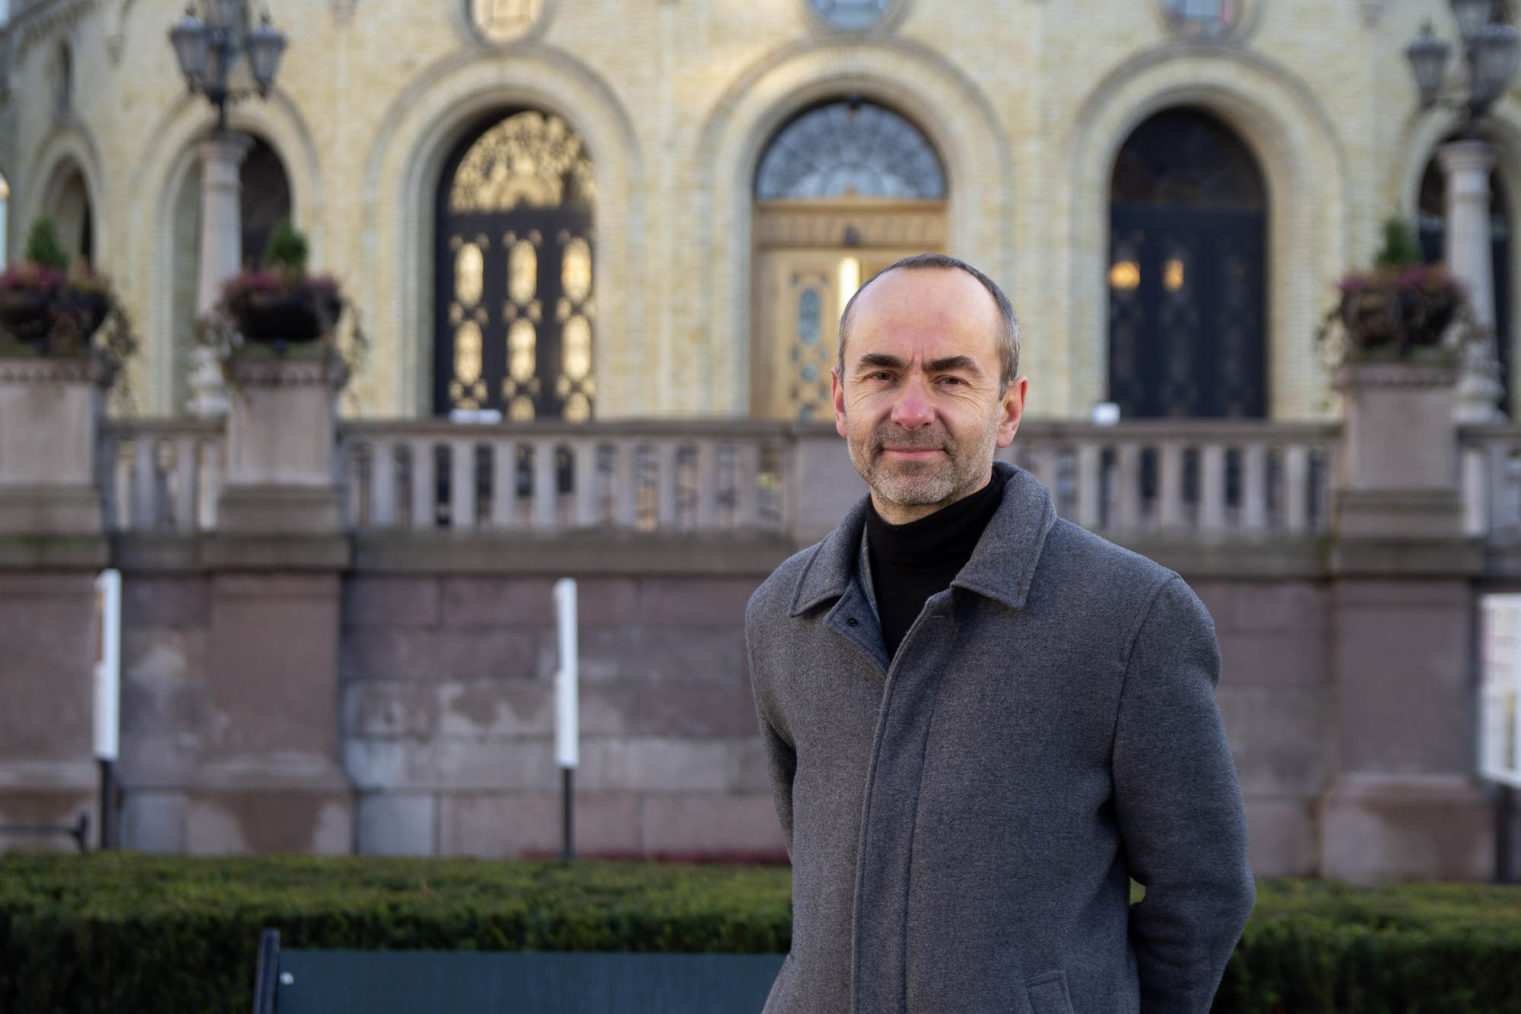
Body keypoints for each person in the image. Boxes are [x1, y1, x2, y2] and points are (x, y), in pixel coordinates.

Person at [745, 254, 1254, 1014]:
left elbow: (1203, 891)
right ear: (840, 400)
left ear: (1007, 410)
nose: (910, 410)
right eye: (880, 375)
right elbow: (813, 859)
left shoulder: (1133, 616)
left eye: (950, 378)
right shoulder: (783, 611)